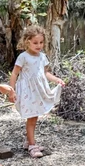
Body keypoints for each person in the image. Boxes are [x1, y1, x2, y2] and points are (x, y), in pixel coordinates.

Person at [9, 25, 65, 158]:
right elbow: (14, 74)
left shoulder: (42, 57)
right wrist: (11, 91)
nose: (38, 45)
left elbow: (45, 73)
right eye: (35, 43)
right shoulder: (23, 57)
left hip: (38, 91)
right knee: (32, 117)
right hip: (28, 91)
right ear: (27, 41)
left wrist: (57, 80)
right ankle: (32, 146)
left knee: (34, 117)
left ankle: (29, 141)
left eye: (41, 42)